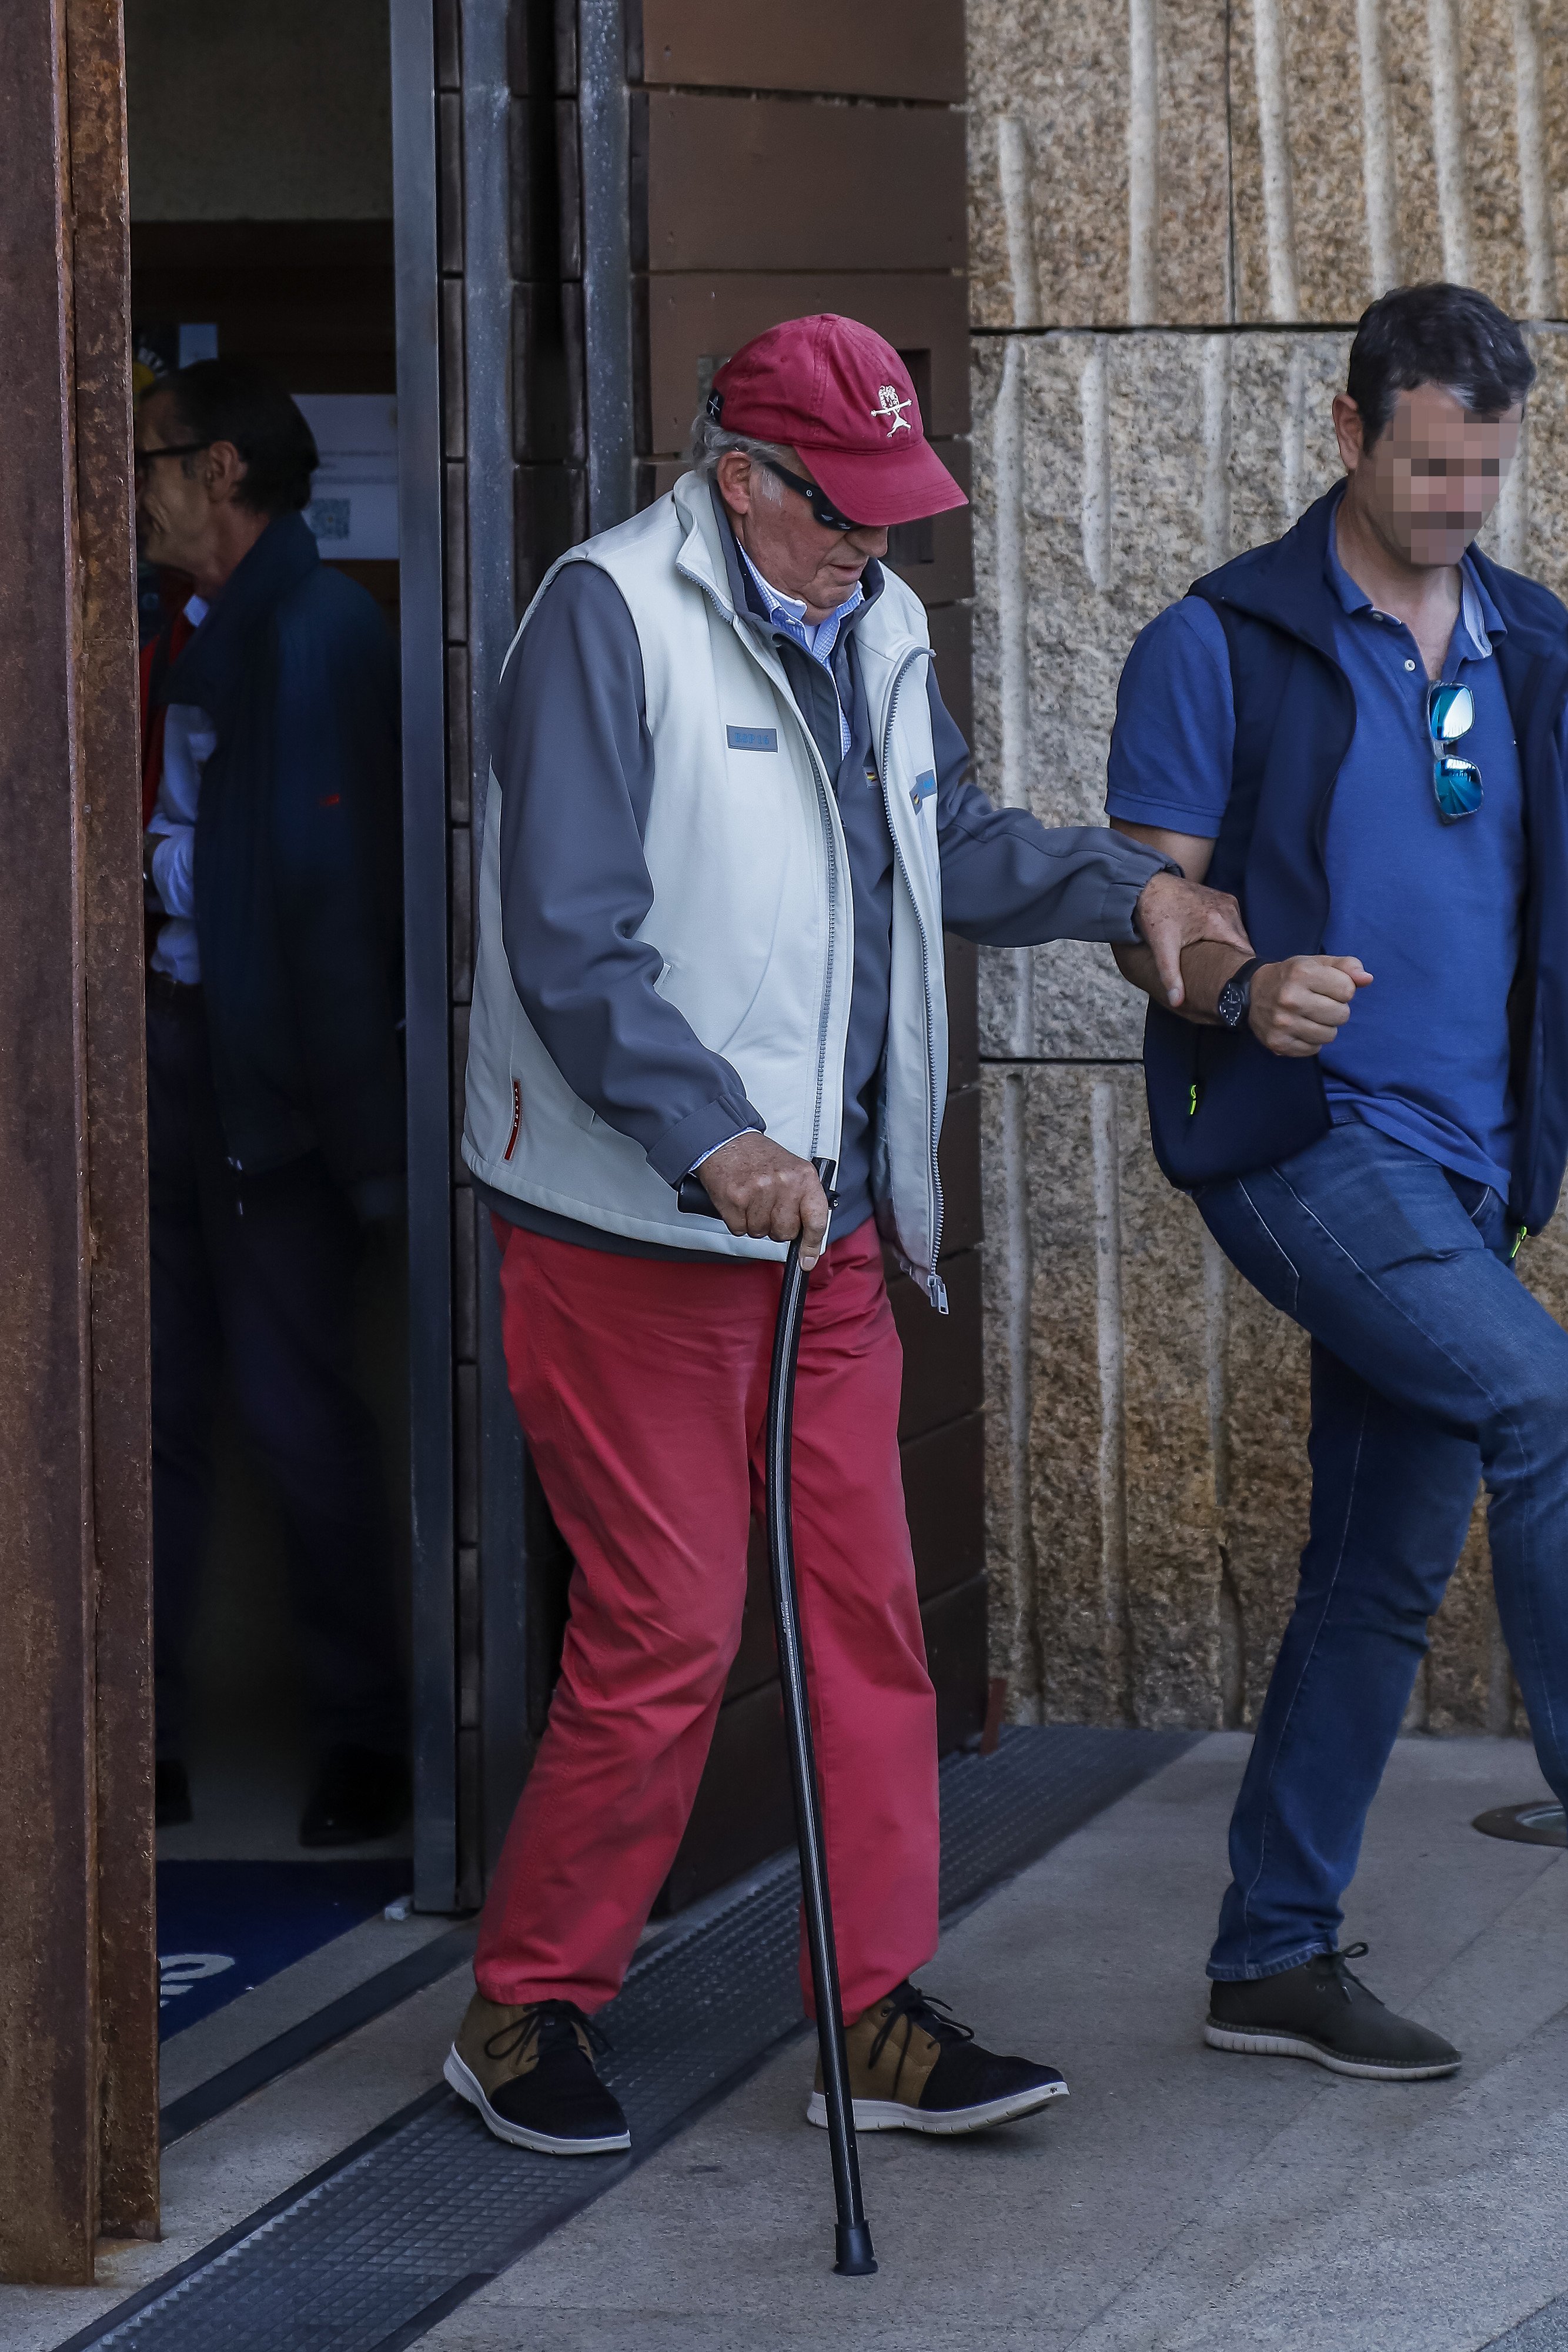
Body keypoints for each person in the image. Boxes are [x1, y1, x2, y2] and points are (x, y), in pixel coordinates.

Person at [444, 312, 1250, 2154]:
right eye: (840, 509)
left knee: (865, 1625)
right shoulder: (608, 617)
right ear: (739, 476)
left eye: (894, 510)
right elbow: (569, 938)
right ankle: (527, 2005)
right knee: (664, 1631)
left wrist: (1131, 890)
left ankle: (872, 2014)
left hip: (837, 1231)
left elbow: (942, 838)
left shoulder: (873, 623)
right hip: (633, 1233)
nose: (875, 543)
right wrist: (710, 1137)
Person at [1106, 282, 1567, 2080]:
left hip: (1470, 1164)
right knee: (1540, 1398)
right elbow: (1145, 907)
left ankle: (1269, 1958)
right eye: (1432, 463)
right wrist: (1240, 981)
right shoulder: (1219, 639)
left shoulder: (1532, 641)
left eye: (1487, 468)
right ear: (1346, 428)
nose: (1460, 499)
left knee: (1374, 1571)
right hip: (1301, 1141)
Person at [136, 358, 411, 1846]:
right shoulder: (203, 626)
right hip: (177, 1056)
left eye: (153, 460)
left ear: (224, 469)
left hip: (268, 1085)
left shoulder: (310, 633)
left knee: (297, 1412)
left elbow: (321, 900)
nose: (136, 489)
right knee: (154, 1410)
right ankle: (144, 1735)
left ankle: (367, 1738)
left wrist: (349, 1136)